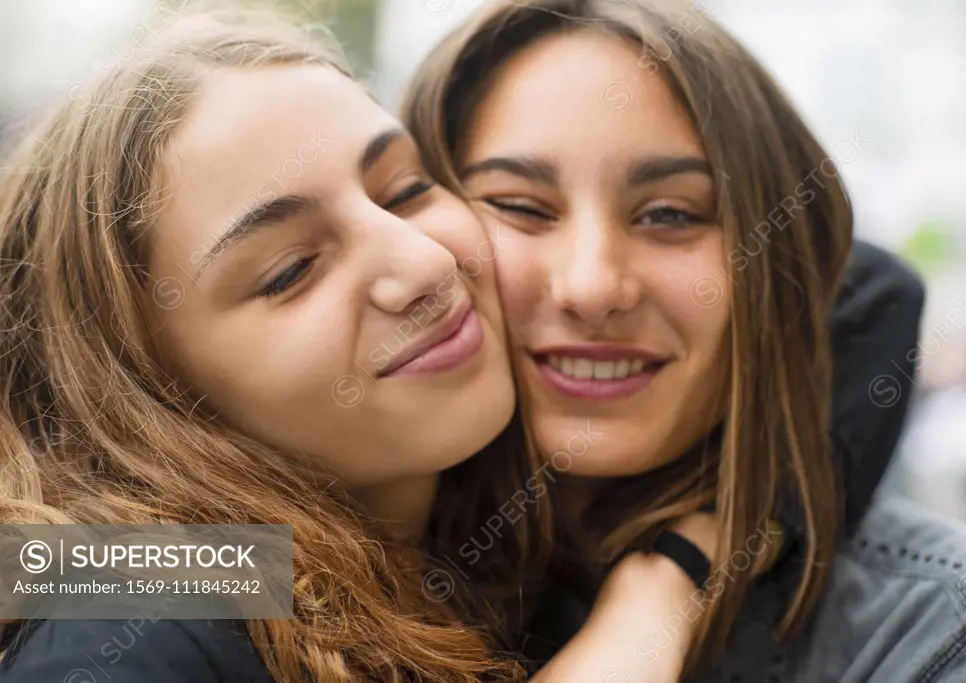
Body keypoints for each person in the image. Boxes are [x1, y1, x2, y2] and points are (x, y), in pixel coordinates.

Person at [0, 11, 733, 683]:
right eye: (292, 270)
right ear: (143, 387)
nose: (425, 263)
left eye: (405, 189)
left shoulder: (489, 537)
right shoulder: (141, 615)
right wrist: (650, 605)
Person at [400, 0, 966, 678]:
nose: (593, 286)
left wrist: (674, 572)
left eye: (672, 214)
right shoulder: (279, 548)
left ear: (773, 267)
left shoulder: (957, 632)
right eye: (519, 206)